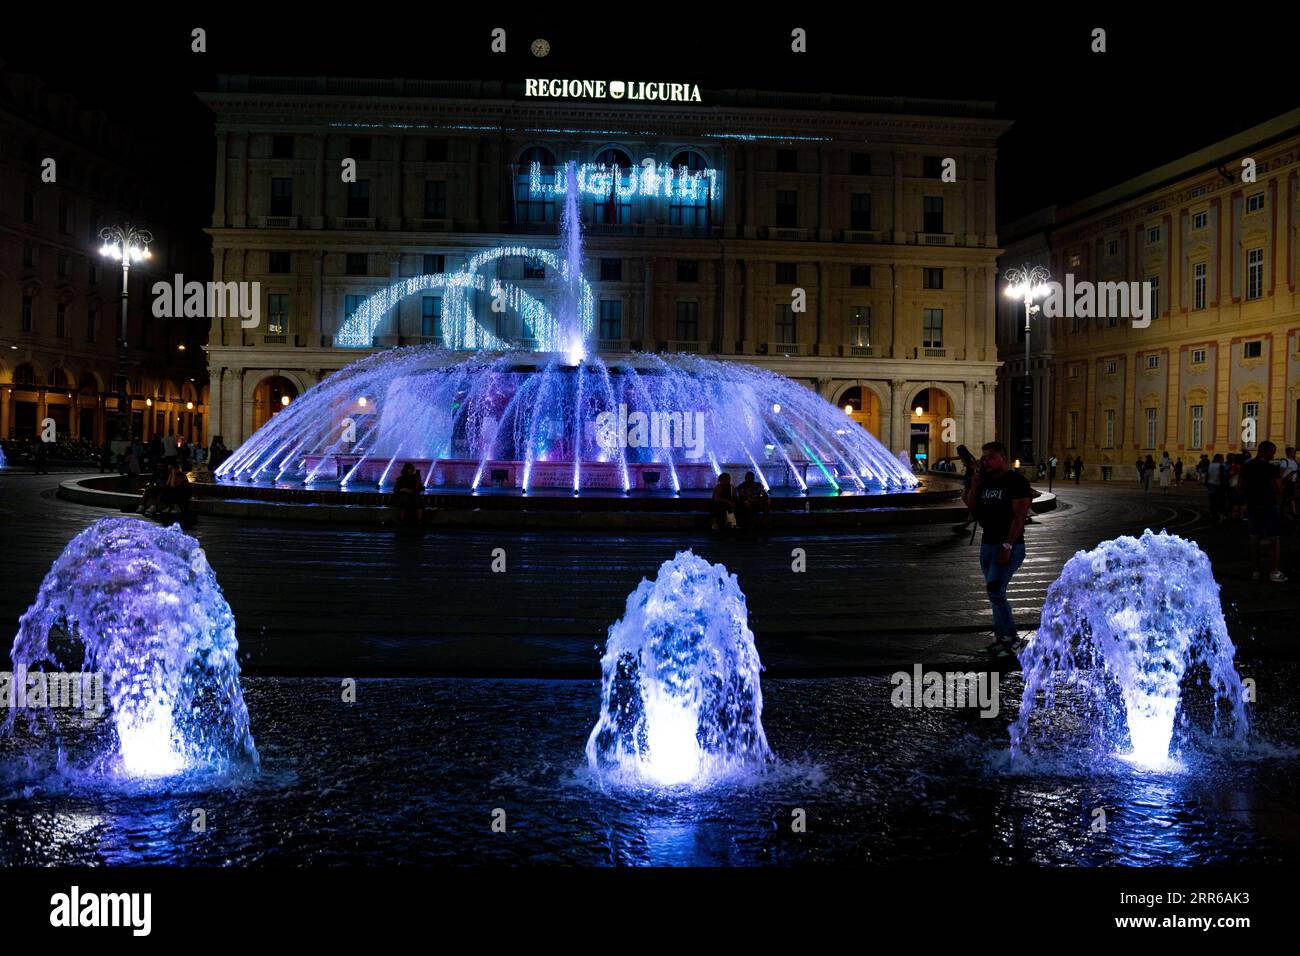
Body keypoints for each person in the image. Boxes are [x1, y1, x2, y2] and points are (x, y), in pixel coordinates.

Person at [963, 441, 1032, 656]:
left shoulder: (1016, 481)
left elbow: (1020, 516)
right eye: (984, 458)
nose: (986, 462)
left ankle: (1011, 639)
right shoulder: (984, 482)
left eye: (991, 457)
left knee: (995, 591)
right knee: (995, 594)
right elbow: (973, 509)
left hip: (1009, 546)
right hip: (987, 545)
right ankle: (1002, 639)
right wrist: (974, 487)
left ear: (1003, 457)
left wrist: (1008, 546)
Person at [1241, 441, 1287, 582]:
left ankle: (1256, 571)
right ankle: (1274, 571)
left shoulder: (1247, 467)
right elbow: (1278, 488)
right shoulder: (1271, 468)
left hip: (1253, 506)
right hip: (1269, 505)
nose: (1273, 455)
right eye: (1272, 452)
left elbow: (1239, 487)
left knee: (1254, 538)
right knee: (1274, 539)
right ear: (1265, 452)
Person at [1207, 453, 1226, 521]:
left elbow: (1208, 474)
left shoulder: (1211, 465)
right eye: (1222, 458)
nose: (1223, 459)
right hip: (1218, 484)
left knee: (1212, 500)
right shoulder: (1221, 465)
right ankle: (1220, 514)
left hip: (1211, 483)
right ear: (1220, 459)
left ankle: (1212, 513)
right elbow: (1221, 476)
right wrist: (1223, 484)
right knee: (1220, 500)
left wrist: (1207, 483)